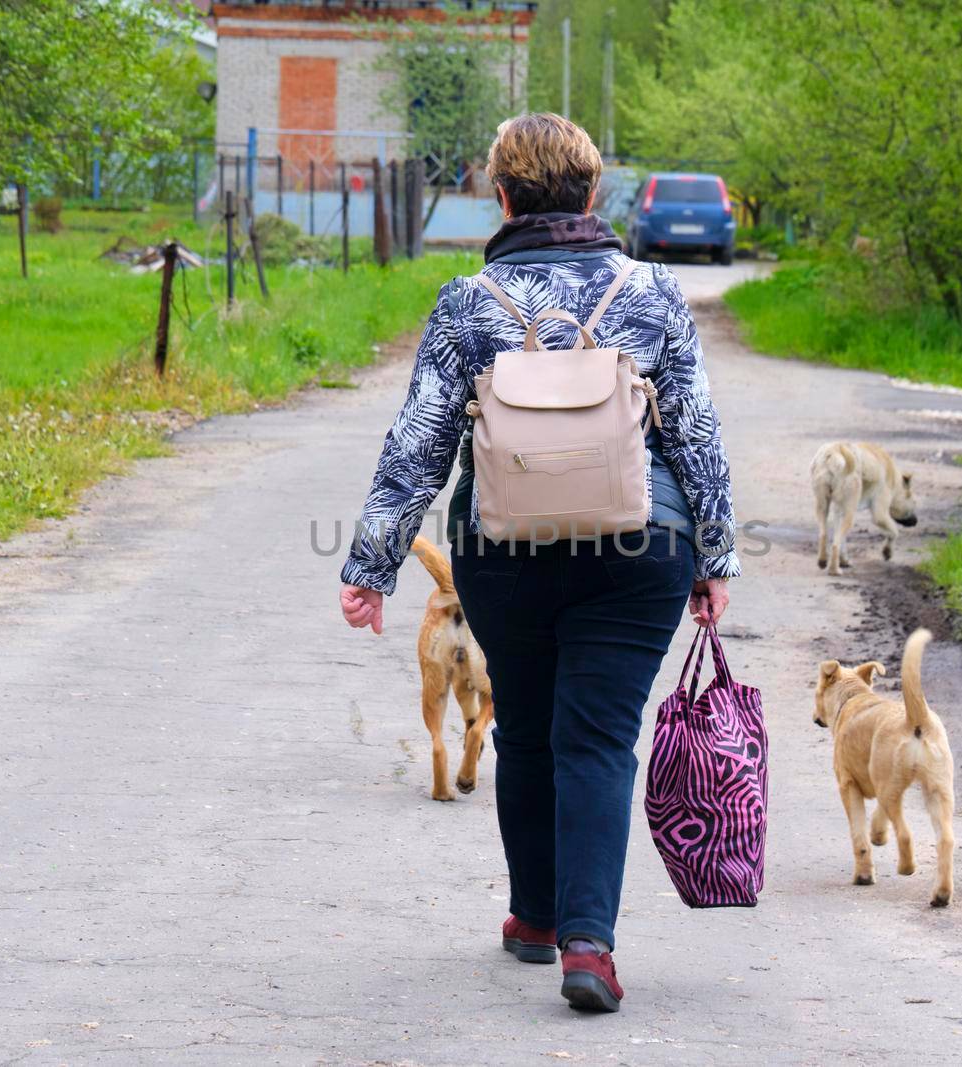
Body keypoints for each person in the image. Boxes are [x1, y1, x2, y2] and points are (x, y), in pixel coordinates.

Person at [338, 113, 739, 1013]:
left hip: (502, 551)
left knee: (522, 725)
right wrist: (714, 552)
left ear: (503, 196)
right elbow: (696, 434)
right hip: (640, 549)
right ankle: (589, 945)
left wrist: (371, 564)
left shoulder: (467, 302)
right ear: (594, 196)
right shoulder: (654, 292)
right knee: (597, 736)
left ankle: (533, 918)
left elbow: (420, 443)